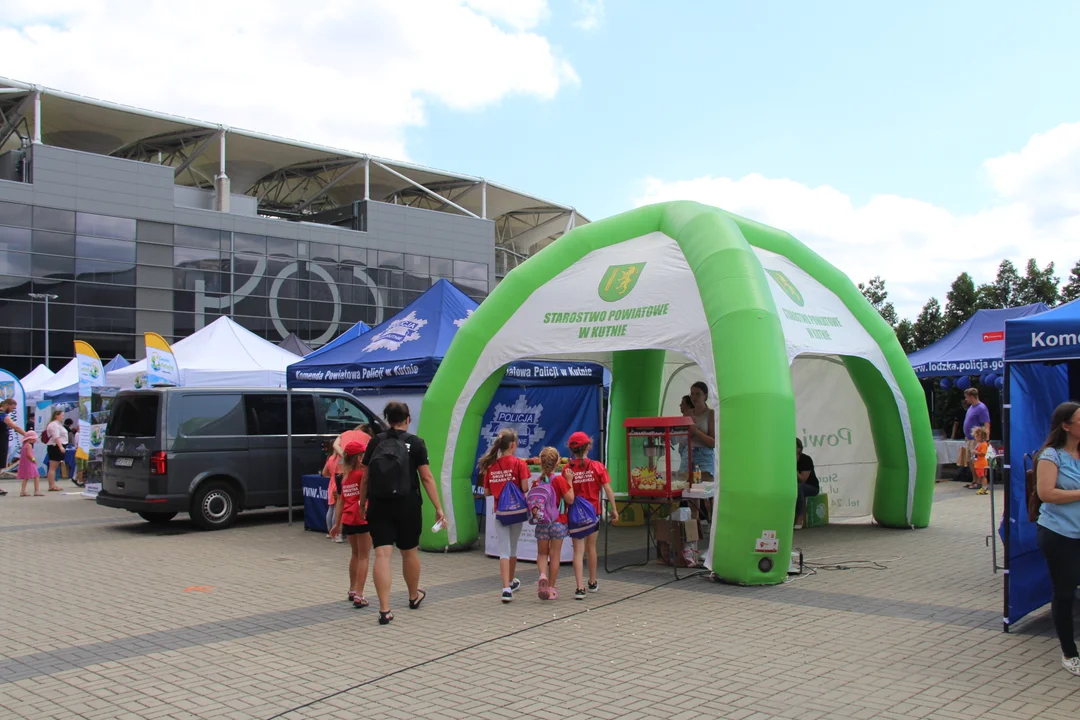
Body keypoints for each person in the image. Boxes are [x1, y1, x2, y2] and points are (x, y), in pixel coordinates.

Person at [358, 402, 445, 625]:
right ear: (408, 418)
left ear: (387, 419)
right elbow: (426, 477)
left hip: (378, 503)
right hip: (407, 503)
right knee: (409, 552)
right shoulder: (416, 443)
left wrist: (361, 503)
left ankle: (385, 610)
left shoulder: (376, 441)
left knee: (382, 555)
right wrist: (438, 507)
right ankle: (413, 596)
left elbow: (365, 477)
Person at [1033, 401, 1080, 677]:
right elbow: (1046, 494)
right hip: (1059, 534)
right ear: (1066, 425)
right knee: (1064, 591)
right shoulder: (1051, 456)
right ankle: (1069, 652)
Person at [563, 432, 618, 600]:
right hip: (593, 513)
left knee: (578, 552)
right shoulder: (597, 466)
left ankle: (579, 588)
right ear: (589, 447)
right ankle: (592, 582)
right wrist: (614, 509)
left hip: (575, 516)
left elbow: (565, 493)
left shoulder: (567, 469)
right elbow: (608, 489)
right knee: (591, 548)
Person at [479, 428, 530, 602]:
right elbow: (524, 488)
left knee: (504, 550)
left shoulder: (490, 466)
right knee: (513, 548)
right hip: (516, 511)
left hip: (500, 511)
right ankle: (510, 580)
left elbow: (486, 492)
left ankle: (506, 588)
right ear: (513, 445)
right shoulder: (519, 464)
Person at [330, 439, 373, 609]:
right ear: (359, 458)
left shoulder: (342, 476)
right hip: (361, 517)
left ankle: (352, 589)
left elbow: (340, 501)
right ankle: (360, 594)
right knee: (364, 556)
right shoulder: (363, 475)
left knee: (355, 554)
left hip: (348, 519)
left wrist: (337, 524)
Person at [533, 447, 574, 601]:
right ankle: (551, 587)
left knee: (542, 553)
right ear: (558, 462)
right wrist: (570, 482)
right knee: (554, 555)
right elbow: (570, 499)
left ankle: (542, 574)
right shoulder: (559, 480)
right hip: (558, 522)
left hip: (542, 522)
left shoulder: (537, 481)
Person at [689, 382, 716, 482]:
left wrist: (696, 431)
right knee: (687, 489)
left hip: (704, 455)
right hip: (687, 454)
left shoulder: (711, 414)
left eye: (698, 394)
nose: (694, 397)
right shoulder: (688, 413)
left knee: (703, 489)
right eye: (692, 394)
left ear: (705, 396)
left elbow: (713, 442)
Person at [963, 388, 991, 473]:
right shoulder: (971, 407)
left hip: (976, 439)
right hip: (969, 438)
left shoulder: (981, 408)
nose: (966, 399)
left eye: (967, 397)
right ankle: (974, 480)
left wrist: (986, 439)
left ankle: (979, 480)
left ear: (971, 397)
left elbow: (987, 424)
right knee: (970, 460)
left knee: (976, 460)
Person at [795, 438, 820, 529]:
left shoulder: (806, 459)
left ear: (799, 448)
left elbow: (802, 479)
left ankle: (800, 517)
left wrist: (793, 467)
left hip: (810, 487)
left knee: (798, 487)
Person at [43, 409, 65, 492]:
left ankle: (53, 484)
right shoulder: (53, 424)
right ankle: (51, 485)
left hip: (57, 445)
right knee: (52, 467)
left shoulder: (58, 424)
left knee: (55, 466)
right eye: (61, 415)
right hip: (55, 446)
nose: (63, 417)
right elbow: (56, 436)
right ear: (57, 415)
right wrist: (60, 447)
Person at [18, 431, 41, 496]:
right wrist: (33, 459)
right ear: (30, 438)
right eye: (34, 439)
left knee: (26, 477)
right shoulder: (29, 445)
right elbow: (28, 454)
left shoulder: (24, 445)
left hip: (25, 462)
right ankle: (36, 491)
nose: (34, 440)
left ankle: (23, 491)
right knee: (36, 475)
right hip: (29, 462)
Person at [972, 427, 991, 495]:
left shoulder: (984, 444)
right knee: (980, 476)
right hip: (978, 462)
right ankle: (982, 487)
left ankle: (985, 488)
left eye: (977, 436)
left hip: (982, 463)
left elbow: (983, 453)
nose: (976, 438)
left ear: (981, 436)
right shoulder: (979, 444)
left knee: (983, 476)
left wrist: (976, 452)